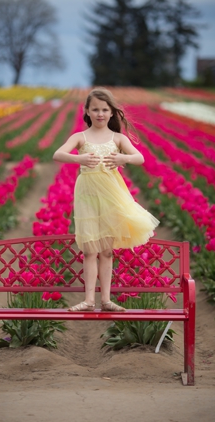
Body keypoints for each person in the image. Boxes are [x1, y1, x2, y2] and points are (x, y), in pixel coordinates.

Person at [52, 87, 160, 312]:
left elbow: (139, 157)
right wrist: (78, 158)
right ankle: (89, 300)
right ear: (87, 112)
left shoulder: (118, 138)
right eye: (95, 109)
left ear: (112, 113)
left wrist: (124, 157)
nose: (100, 114)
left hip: (111, 194)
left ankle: (106, 300)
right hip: (88, 195)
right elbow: (57, 154)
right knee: (90, 249)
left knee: (107, 250)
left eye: (104, 109)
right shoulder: (80, 137)